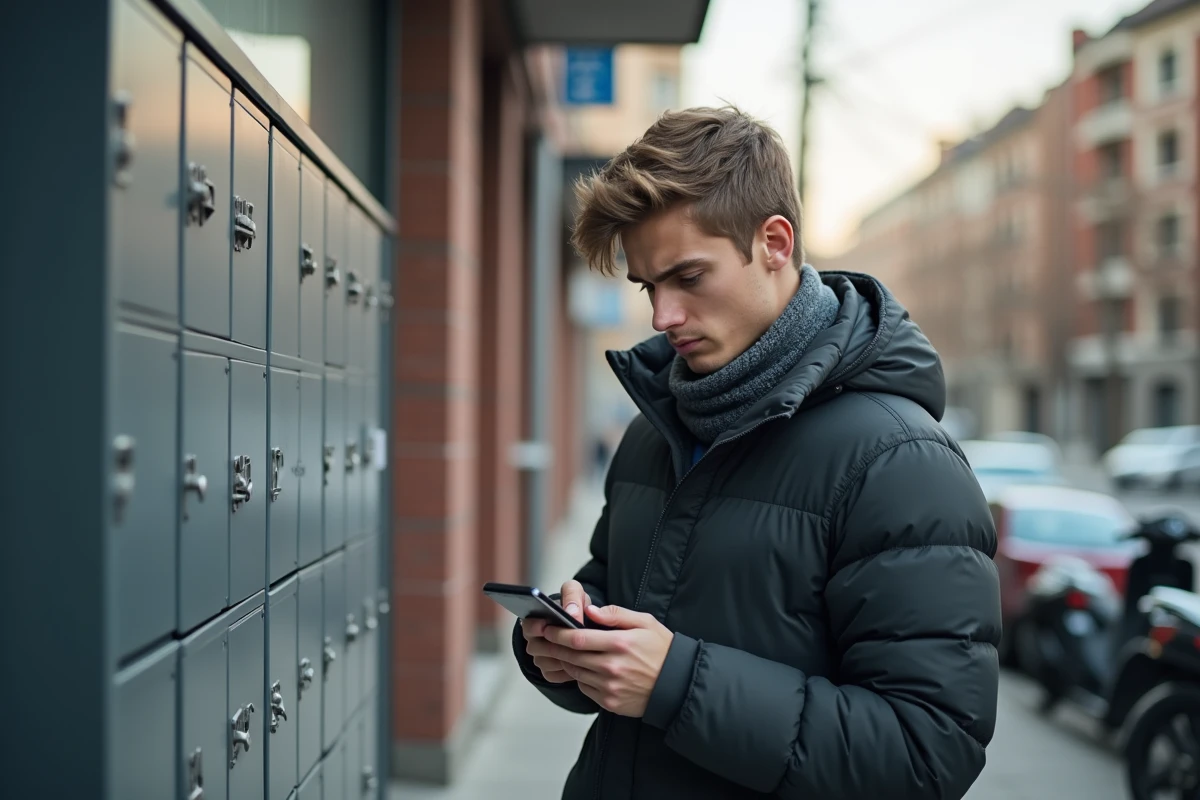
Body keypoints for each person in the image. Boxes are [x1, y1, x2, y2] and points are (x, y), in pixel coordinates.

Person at [513, 106, 1000, 799]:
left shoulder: (901, 461)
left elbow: (928, 752)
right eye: (650, 286)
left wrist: (675, 683)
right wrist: (566, 644)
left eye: (688, 277)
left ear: (774, 242)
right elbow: (614, 588)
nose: (662, 316)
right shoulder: (657, 428)